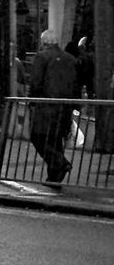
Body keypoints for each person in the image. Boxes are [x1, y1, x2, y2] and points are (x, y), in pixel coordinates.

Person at [28, 29, 77, 183]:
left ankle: (60, 164)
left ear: (44, 43)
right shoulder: (70, 59)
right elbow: (76, 83)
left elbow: (36, 82)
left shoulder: (42, 57)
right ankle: (54, 177)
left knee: (38, 138)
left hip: (46, 107)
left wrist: (32, 101)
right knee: (56, 140)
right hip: (65, 107)